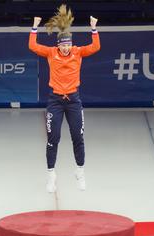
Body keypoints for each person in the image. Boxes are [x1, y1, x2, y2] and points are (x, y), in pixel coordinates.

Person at [29, 4, 100, 193]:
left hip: (74, 100)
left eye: (68, 44)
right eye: (63, 45)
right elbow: (33, 46)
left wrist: (94, 28)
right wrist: (34, 27)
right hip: (55, 101)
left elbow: (95, 47)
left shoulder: (77, 52)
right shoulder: (51, 53)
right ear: (58, 45)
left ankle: (80, 172)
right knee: (53, 138)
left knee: (78, 136)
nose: (66, 47)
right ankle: (51, 175)